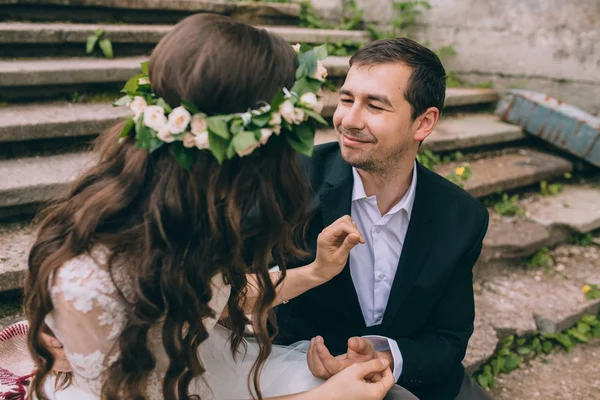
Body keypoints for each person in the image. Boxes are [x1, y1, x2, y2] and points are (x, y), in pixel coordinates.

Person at [24, 14, 396, 400]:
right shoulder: (89, 281)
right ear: (248, 146)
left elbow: (212, 297)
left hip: (201, 369)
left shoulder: (199, 208)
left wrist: (317, 271)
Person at [274, 38, 492, 400]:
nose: (348, 120)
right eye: (346, 99)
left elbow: (449, 338)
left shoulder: (462, 216)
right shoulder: (289, 180)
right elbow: (239, 293)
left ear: (423, 122)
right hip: (297, 376)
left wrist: (386, 356)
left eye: (374, 106)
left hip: (413, 376)